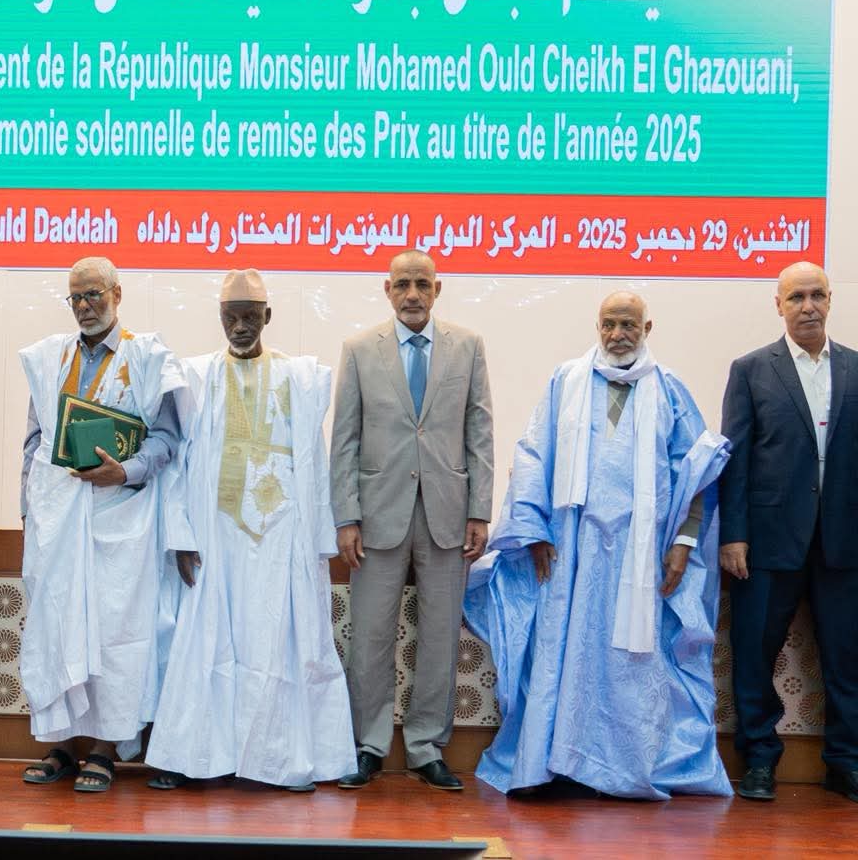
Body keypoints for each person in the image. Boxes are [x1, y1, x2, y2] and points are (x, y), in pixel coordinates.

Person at [464, 292, 731, 799]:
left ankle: (620, 770)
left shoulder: (670, 389)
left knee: (629, 660)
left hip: (640, 556)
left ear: (647, 328)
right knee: (564, 655)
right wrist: (534, 531)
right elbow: (533, 454)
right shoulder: (565, 381)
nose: (617, 334)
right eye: (609, 324)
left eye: (628, 324)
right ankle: (554, 765)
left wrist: (683, 542)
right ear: (598, 326)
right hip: (571, 551)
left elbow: (698, 472)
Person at [147, 269, 353, 793]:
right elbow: (177, 465)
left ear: (268, 316)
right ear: (219, 318)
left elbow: (315, 462)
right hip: (213, 537)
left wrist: (316, 541)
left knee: (276, 645)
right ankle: (196, 758)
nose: (239, 327)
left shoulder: (299, 378)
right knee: (205, 644)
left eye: (249, 317)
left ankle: (283, 760)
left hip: (279, 539)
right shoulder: (195, 377)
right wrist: (181, 535)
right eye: (230, 317)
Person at [17, 256, 182, 794]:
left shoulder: (148, 357)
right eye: (76, 297)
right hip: (56, 522)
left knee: (115, 634)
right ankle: (62, 744)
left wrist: (125, 472)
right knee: (57, 627)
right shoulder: (50, 357)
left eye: (94, 295)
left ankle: (106, 748)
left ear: (117, 293)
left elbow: (167, 439)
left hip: (122, 520)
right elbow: (34, 442)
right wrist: (29, 514)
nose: (85, 306)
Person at [330, 251, 493, 791]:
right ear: (388, 289)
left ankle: (426, 747)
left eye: (423, 284)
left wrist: (479, 509)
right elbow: (345, 440)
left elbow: (480, 432)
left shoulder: (468, 346)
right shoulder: (359, 350)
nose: (413, 294)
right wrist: (346, 516)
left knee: (440, 636)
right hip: (377, 514)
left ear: (437, 289)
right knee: (369, 636)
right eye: (403, 284)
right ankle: (368, 746)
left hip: (448, 512)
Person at [720, 262, 858, 804]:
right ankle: (759, 760)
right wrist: (733, 534)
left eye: (816, 294)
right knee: (755, 653)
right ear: (778, 305)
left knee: (848, 658)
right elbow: (735, 461)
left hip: (845, 541)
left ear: (830, 300)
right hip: (767, 540)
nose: (808, 306)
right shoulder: (751, 370)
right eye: (796, 297)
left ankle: (845, 763)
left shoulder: (855, 368)